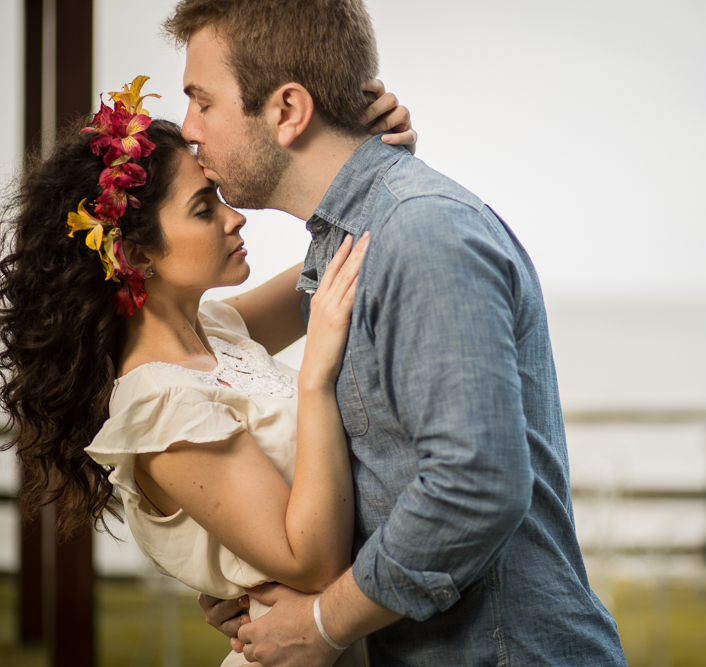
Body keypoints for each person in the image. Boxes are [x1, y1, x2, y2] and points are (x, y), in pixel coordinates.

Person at [164, 1, 628, 665]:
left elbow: (477, 482)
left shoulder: (423, 233)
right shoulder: (356, 243)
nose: (190, 129)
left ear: (288, 110)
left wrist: (323, 621)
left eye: (202, 101)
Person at [0, 75, 416, 667]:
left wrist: (381, 160)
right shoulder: (161, 407)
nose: (234, 218)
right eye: (203, 209)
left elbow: (347, 266)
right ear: (137, 255)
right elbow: (313, 563)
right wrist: (314, 378)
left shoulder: (219, 331)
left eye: (218, 195)